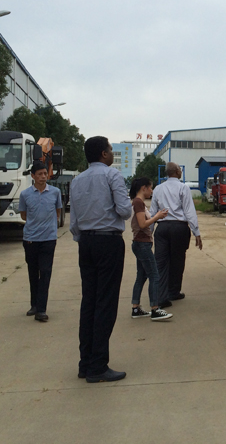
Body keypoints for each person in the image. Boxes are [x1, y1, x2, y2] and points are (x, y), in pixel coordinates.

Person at [70, 136, 132, 383]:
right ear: (104, 154)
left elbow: (74, 220)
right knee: (105, 302)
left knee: (89, 302)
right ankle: (98, 366)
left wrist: (83, 238)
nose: (112, 153)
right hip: (108, 241)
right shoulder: (111, 175)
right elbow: (125, 211)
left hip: (86, 242)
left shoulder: (77, 180)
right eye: (110, 150)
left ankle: (85, 363)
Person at [149, 162, 202, 308]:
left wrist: (149, 232)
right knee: (177, 261)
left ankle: (160, 297)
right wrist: (196, 232)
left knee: (161, 263)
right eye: (179, 169)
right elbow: (189, 212)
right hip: (179, 228)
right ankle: (173, 291)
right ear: (177, 172)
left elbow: (153, 212)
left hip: (162, 228)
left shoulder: (158, 189)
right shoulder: (183, 188)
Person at [19, 161, 63, 323]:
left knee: (45, 272)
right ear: (33, 176)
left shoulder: (55, 192)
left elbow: (57, 212)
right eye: (40, 174)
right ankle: (34, 305)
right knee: (33, 272)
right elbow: (24, 215)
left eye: (45, 173)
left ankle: (41, 310)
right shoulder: (25, 194)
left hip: (49, 239)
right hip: (30, 239)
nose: (43, 177)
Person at [129, 177, 172, 321]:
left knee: (141, 276)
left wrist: (156, 216)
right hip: (142, 244)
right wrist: (157, 217)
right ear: (144, 188)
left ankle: (136, 308)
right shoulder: (138, 203)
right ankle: (155, 309)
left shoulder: (138, 202)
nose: (152, 191)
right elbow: (142, 224)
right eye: (150, 188)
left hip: (141, 243)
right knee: (154, 275)